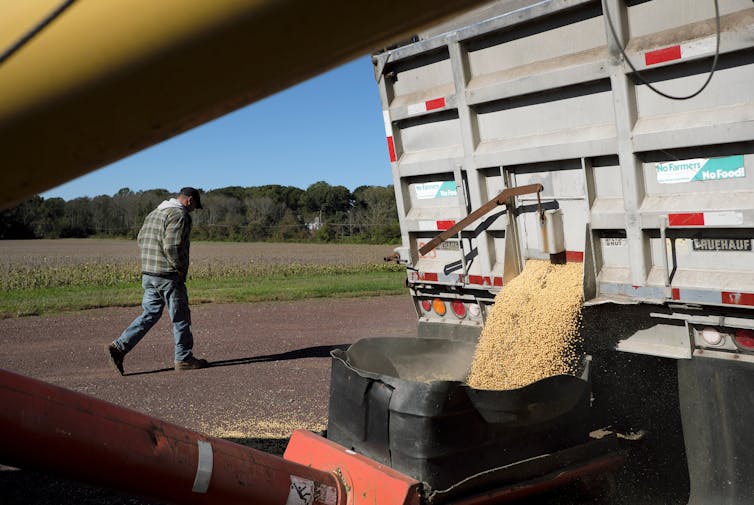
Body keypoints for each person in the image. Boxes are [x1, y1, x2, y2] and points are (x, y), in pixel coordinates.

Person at [105, 187, 209, 375]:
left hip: (149, 274)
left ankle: (119, 347)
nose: (194, 209)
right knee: (181, 318)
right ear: (189, 200)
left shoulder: (155, 213)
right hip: (167, 275)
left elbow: (140, 238)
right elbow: (172, 246)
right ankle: (184, 358)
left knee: (149, 314)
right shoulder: (179, 215)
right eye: (195, 205)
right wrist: (179, 268)